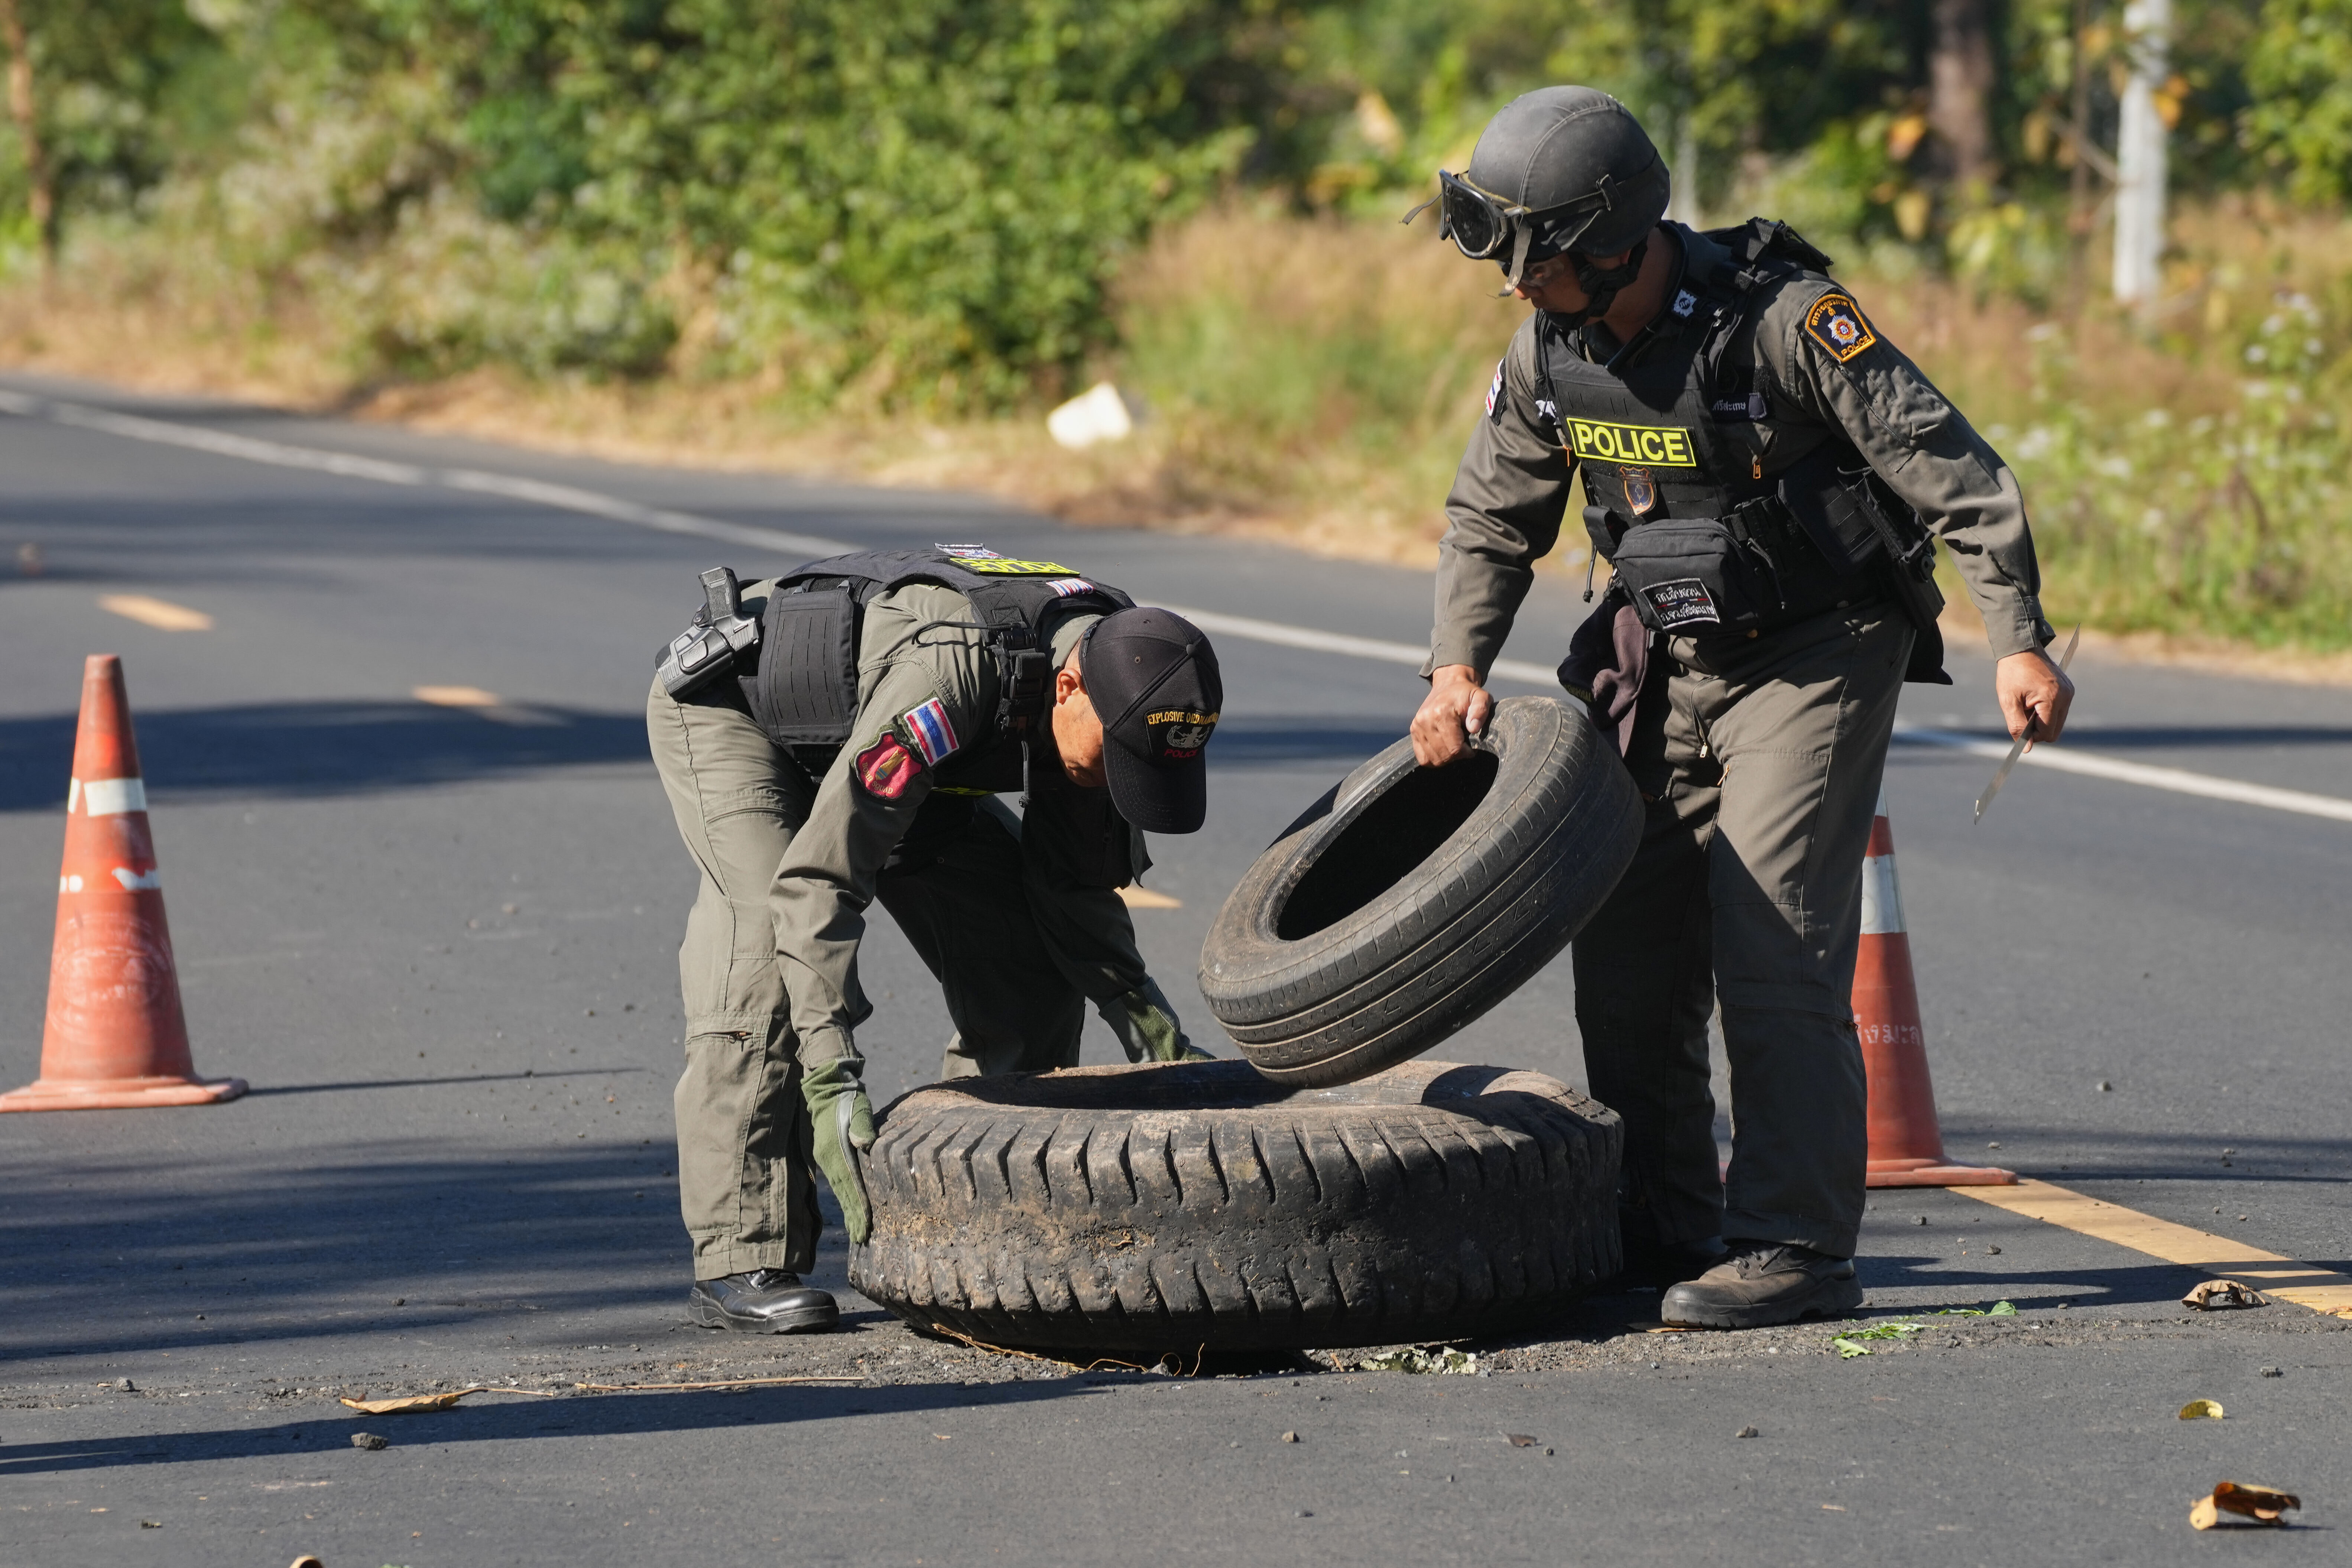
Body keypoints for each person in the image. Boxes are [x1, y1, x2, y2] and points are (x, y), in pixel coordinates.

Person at [1405, 88, 2073, 1329]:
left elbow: (1960, 476)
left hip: (1817, 652)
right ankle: (1665, 1227)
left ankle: (1795, 1245)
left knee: (1770, 941)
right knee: (1626, 948)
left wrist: (2017, 640)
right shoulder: (1547, 351)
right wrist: (1457, 667)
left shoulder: (1785, 323)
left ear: (1617, 241)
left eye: (1536, 264)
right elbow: (1492, 518)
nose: (1513, 291)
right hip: (1662, 651)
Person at [646, 545, 1223, 1332]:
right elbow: (819, 881)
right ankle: (743, 1252)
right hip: (747, 719)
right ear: (1066, 688)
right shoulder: (953, 679)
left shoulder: (1116, 671)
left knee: (1027, 964)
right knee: (765, 952)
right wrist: (833, 1082)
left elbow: (1071, 887)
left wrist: (1154, 1033)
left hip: (894, 745)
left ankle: (960, 1223)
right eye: (1115, 758)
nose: (1116, 777)